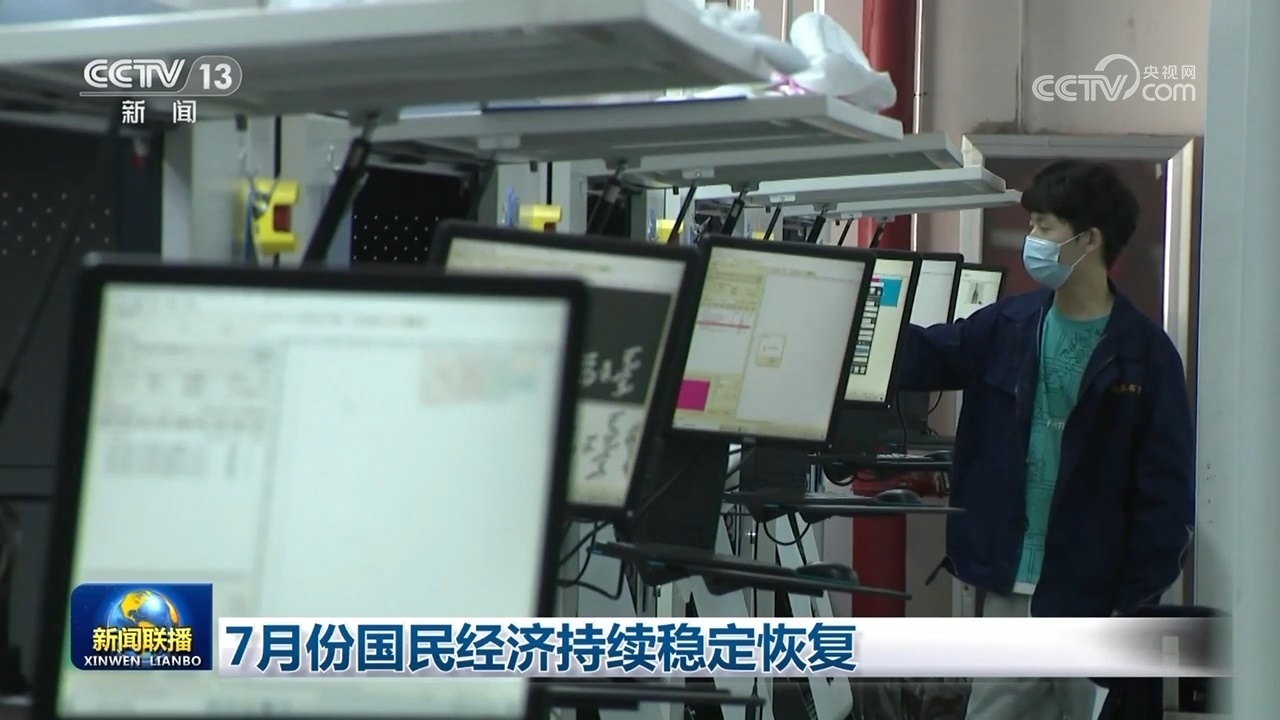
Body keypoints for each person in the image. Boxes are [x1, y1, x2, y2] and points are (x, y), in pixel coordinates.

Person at [898, 160, 1196, 720]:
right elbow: (924, 357)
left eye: (1043, 226)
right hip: (1011, 588)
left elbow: (1167, 497)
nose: (1031, 240)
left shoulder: (1146, 355)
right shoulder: (1007, 326)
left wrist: (1133, 606)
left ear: (1089, 240)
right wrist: (854, 313)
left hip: (1097, 601)